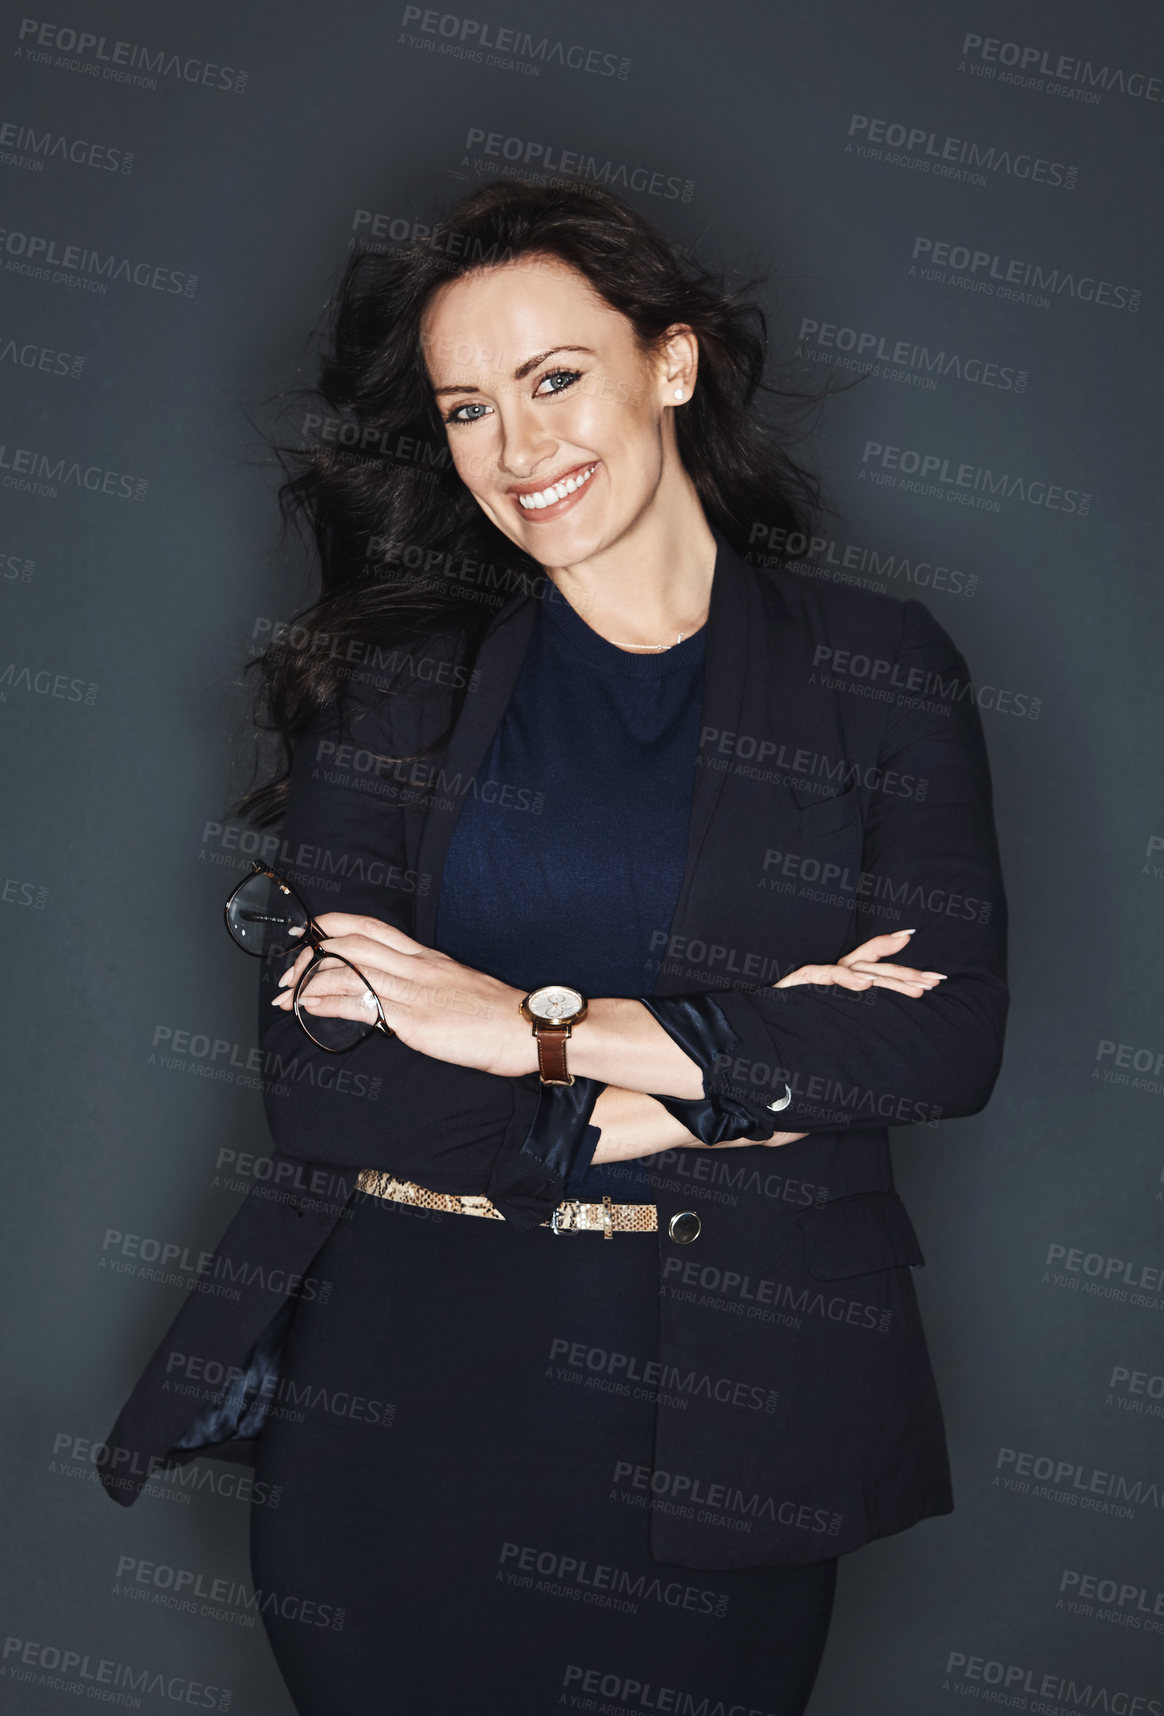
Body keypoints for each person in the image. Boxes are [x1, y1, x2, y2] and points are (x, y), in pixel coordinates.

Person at [101, 180, 1008, 1716]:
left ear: (671, 363)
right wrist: (725, 1076)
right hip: (402, 1397)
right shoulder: (395, 687)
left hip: (738, 1409)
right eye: (468, 408)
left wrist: (523, 1027)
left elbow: (942, 1038)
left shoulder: (876, 667)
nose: (519, 451)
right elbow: (331, 1089)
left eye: (554, 379)